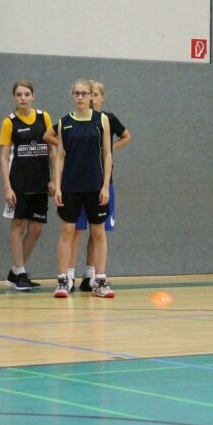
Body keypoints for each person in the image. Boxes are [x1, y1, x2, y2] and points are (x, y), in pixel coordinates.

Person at [51, 79, 113, 298]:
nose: (80, 97)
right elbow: (60, 156)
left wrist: (105, 186)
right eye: (76, 93)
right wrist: (58, 186)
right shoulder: (64, 122)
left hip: (95, 186)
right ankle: (63, 281)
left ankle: (100, 281)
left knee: (98, 232)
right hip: (70, 186)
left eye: (84, 93)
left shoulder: (101, 120)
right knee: (67, 231)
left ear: (90, 96)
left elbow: (107, 154)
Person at [70, 80, 131, 292]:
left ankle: (91, 274)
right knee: (76, 229)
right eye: (90, 94)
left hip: (102, 182)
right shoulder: (75, 121)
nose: (92, 98)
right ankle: (69, 276)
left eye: (96, 95)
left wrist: (109, 148)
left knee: (98, 231)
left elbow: (126, 136)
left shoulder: (107, 119)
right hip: (79, 183)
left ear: (102, 97)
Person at [0, 80, 55, 292]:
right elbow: (4, 157)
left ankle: (15, 272)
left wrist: (54, 179)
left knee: (37, 228)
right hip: (19, 183)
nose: (23, 98)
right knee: (18, 226)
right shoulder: (9, 122)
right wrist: (7, 187)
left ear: (33, 96)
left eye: (26, 94)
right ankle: (21, 272)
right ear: (14, 97)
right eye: (19, 94)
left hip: (40, 182)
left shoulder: (44, 117)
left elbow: (52, 150)